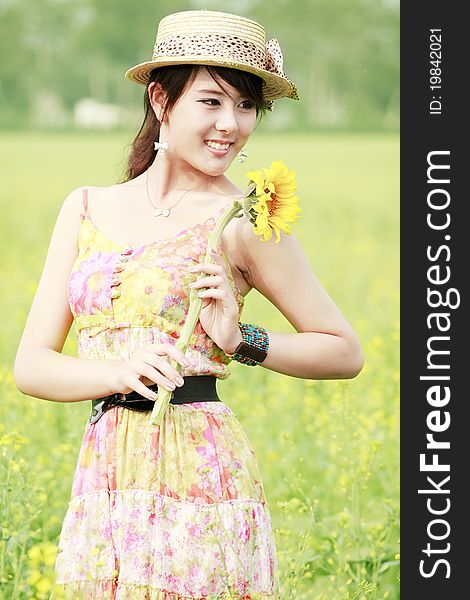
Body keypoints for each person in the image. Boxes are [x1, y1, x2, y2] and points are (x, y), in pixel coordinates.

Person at [14, 9, 364, 599]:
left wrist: (241, 340)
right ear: (161, 101)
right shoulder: (84, 207)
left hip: (202, 476)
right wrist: (116, 372)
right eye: (211, 102)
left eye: (247, 106)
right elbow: (31, 364)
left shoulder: (246, 221)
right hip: (106, 477)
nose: (232, 124)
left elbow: (344, 351)